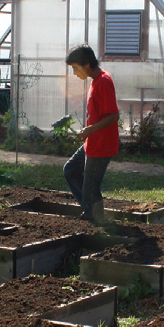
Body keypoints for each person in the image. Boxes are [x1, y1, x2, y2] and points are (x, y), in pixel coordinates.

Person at [63, 45, 119, 224]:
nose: (74, 73)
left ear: (87, 65)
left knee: (91, 188)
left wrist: (90, 130)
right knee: (71, 170)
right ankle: (92, 211)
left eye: (75, 68)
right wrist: (88, 132)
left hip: (102, 145)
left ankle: (95, 219)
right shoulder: (95, 81)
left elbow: (114, 115)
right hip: (92, 142)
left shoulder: (103, 81)